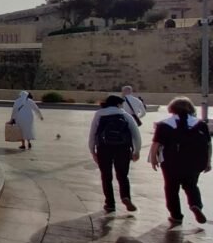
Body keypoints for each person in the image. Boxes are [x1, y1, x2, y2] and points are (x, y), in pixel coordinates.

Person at [149, 97, 212, 225]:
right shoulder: (200, 124)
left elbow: (156, 144)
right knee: (191, 185)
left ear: (172, 108)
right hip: (195, 161)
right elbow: (208, 145)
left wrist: (153, 159)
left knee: (171, 188)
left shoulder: (164, 124)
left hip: (172, 162)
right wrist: (208, 162)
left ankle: (176, 216)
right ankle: (195, 205)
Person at [88, 95, 142, 213]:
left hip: (104, 148)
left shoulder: (99, 114)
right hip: (122, 148)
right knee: (123, 175)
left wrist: (92, 151)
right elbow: (136, 134)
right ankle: (125, 197)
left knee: (106, 176)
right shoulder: (125, 115)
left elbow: (92, 134)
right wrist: (137, 150)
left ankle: (110, 203)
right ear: (118, 104)